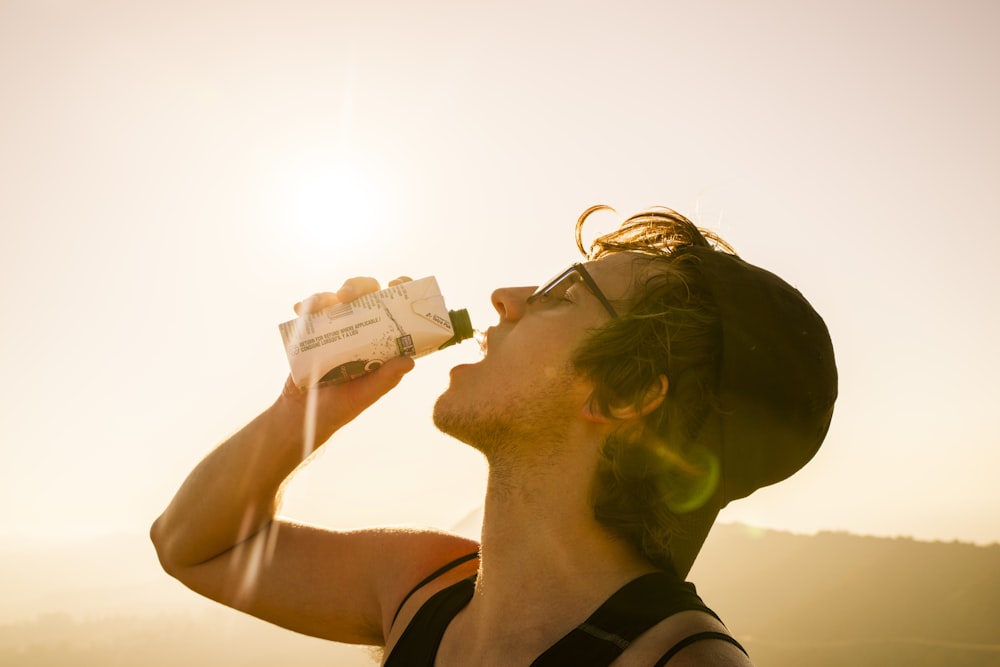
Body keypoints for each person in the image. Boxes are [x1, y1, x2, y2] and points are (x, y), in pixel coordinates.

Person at [151, 205, 837, 666]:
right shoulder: (423, 585)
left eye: (566, 293)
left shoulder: (682, 662)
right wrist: (303, 407)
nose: (508, 296)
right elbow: (190, 543)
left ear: (624, 393)